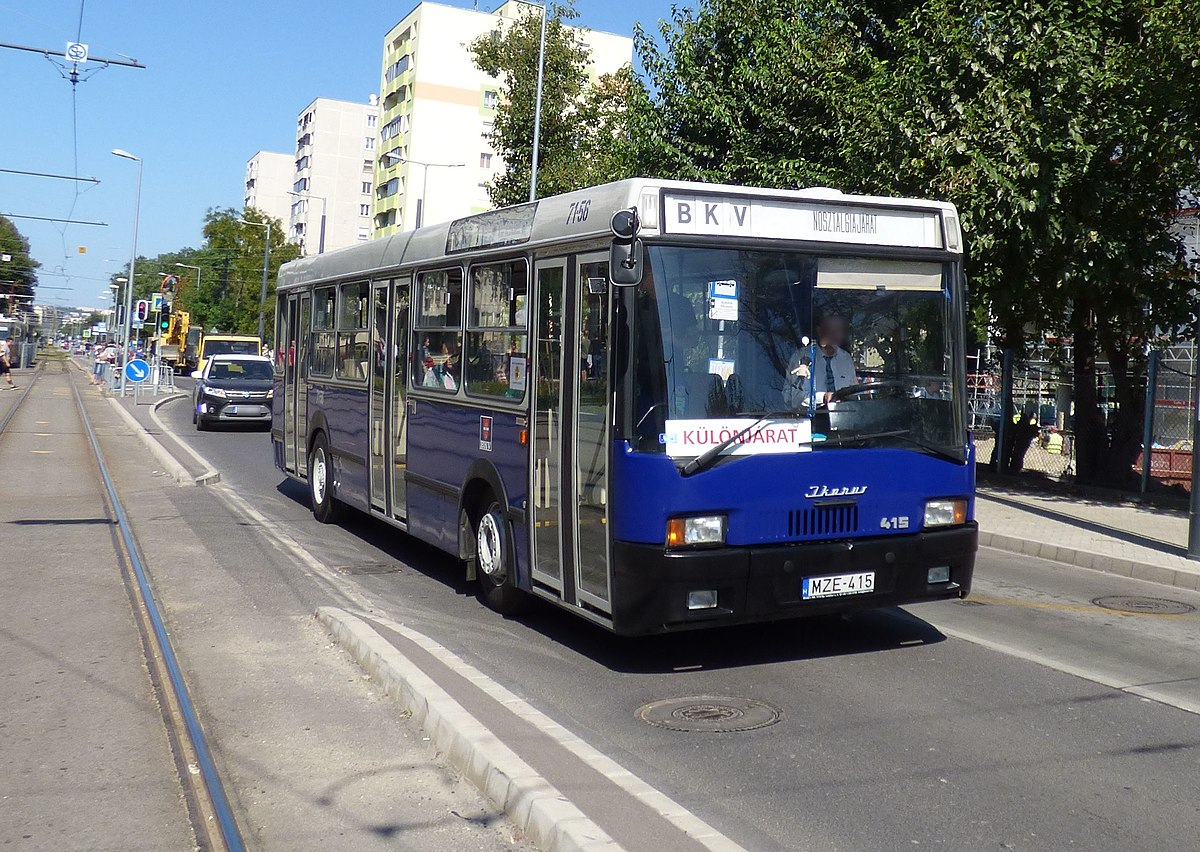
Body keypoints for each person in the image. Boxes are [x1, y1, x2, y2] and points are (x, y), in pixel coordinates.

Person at [785, 312, 856, 408]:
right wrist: (822, 397)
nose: (837, 335)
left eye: (840, 330)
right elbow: (794, 397)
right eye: (833, 330)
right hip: (807, 420)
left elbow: (853, 393)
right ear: (820, 331)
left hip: (844, 419)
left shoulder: (846, 359)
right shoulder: (802, 357)